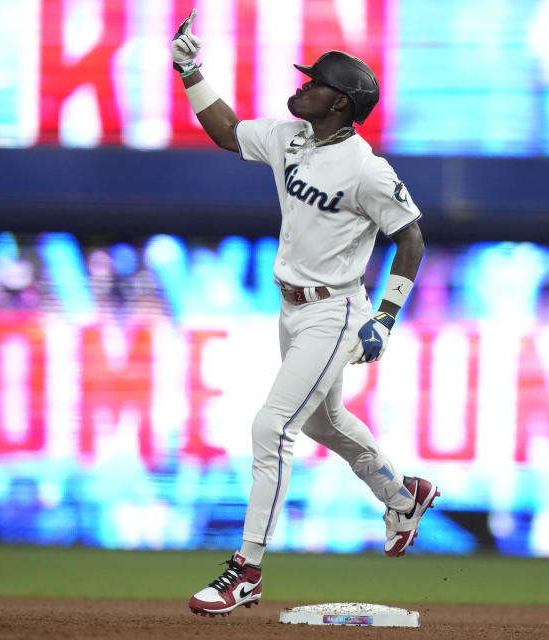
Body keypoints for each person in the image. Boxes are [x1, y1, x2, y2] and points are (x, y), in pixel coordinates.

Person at [172, 9, 439, 617]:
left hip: (337, 313)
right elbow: (228, 131)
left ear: (340, 103)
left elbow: (412, 237)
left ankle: (247, 572)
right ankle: (402, 495)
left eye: (314, 81)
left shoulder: (367, 169)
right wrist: (191, 71)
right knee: (322, 422)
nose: (301, 85)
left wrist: (386, 318)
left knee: (272, 427)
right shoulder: (292, 138)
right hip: (292, 309)